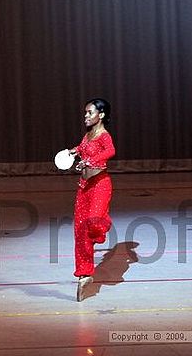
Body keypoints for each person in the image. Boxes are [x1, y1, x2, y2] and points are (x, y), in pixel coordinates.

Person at [68, 98, 116, 302]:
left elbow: (110, 151)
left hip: (100, 186)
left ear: (101, 115)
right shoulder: (88, 135)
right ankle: (85, 272)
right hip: (84, 188)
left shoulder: (104, 135)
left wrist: (90, 161)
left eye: (90, 112)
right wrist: (72, 152)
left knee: (95, 221)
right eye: (85, 113)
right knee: (80, 232)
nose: (86, 116)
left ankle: (103, 226)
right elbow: (81, 148)